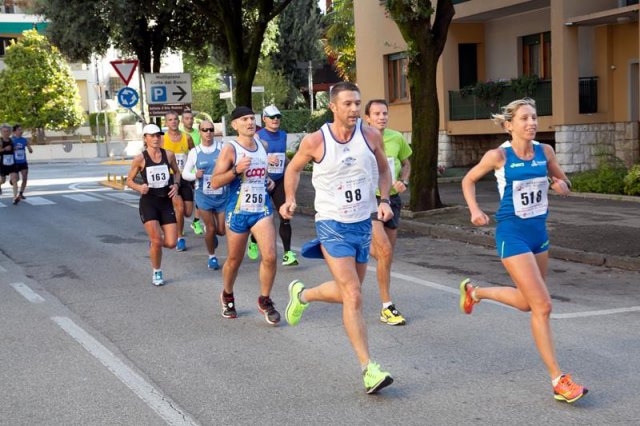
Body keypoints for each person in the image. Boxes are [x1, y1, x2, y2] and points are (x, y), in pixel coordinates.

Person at [460, 98, 588, 403]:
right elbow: (468, 179)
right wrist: (474, 210)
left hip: (538, 234)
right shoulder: (498, 156)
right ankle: (559, 380)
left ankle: (476, 293)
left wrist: (562, 185)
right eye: (525, 118)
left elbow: (562, 179)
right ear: (509, 125)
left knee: (527, 303)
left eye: (534, 117)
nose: (532, 123)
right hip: (512, 235)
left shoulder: (546, 151)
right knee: (543, 305)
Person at [280, 82, 395, 394]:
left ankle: (303, 295)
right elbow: (292, 170)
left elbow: (385, 171)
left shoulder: (370, 135)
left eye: (357, 103)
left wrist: (384, 199)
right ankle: (368, 369)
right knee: (354, 294)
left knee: (349, 293)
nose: (354, 109)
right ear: (332, 106)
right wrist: (289, 198)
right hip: (331, 224)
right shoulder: (316, 141)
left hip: (362, 223)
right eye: (347, 104)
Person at [211, 106, 280, 325]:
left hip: (261, 208)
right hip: (238, 210)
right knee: (234, 259)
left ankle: (265, 299)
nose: (250, 122)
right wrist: (235, 171)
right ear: (235, 125)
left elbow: (262, 172)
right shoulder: (230, 150)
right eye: (244, 119)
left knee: (270, 256)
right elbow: (214, 182)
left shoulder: (263, 145)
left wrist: (268, 181)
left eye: (252, 118)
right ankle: (228, 294)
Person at [363, 99, 412, 326]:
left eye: (385, 113)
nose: (382, 117)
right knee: (384, 251)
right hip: (369, 200)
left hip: (391, 199)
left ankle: (359, 247)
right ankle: (387, 305)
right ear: (368, 118)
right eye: (377, 113)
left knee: (387, 254)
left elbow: (407, 163)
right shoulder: (360, 139)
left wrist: (403, 181)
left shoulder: (396, 138)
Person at [126, 124, 181, 286]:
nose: (156, 138)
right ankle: (157, 271)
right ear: (145, 138)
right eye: (152, 135)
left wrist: (176, 185)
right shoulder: (140, 159)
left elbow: (177, 172)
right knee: (157, 240)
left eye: (158, 135)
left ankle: (154, 245)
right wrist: (139, 187)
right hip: (149, 202)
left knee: (171, 243)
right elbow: (129, 180)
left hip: (165, 202)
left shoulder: (169, 155)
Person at [245, 105, 299, 266]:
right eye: (272, 117)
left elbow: (283, 158)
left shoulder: (283, 135)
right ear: (264, 119)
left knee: (286, 215)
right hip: (262, 181)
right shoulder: (257, 136)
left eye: (278, 117)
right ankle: (254, 240)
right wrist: (266, 159)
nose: (275, 120)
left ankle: (288, 253)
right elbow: (249, 158)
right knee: (261, 216)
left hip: (280, 180)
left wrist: (294, 166)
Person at [182, 120, 227, 270]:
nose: (208, 132)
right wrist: (196, 175)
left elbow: (232, 165)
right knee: (210, 228)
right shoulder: (195, 152)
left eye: (211, 129)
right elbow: (185, 173)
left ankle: (212, 236)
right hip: (203, 196)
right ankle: (212, 257)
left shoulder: (222, 148)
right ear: (199, 132)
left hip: (221, 195)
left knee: (221, 230)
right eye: (205, 130)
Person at [162, 111, 195, 251]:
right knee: (180, 208)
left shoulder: (186, 138)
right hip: (169, 177)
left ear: (178, 121)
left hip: (185, 176)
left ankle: (172, 220)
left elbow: (194, 155)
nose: (173, 122)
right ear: (166, 123)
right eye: (170, 120)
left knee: (187, 212)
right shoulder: (162, 139)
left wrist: (195, 174)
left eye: (175, 119)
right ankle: (179, 237)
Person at [182, 110, 204, 236]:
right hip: (182, 172)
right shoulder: (180, 134)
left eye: (191, 118)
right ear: (182, 120)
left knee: (200, 197)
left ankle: (196, 221)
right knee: (185, 207)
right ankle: (179, 222)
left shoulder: (198, 133)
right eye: (186, 118)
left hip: (196, 171)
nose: (189, 121)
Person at [11, 125, 32, 200]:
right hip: (15, 162)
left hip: (23, 162)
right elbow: (7, 151)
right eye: (19, 130)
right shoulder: (11, 140)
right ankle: (13, 181)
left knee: (25, 178)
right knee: (16, 179)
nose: (21, 131)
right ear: (14, 132)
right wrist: (13, 148)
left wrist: (29, 147)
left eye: (21, 130)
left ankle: (20, 193)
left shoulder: (24, 140)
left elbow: (31, 151)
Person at [0, 124, 19, 205]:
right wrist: (4, 149)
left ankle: (15, 197)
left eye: (7, 131)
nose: (6, 133)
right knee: (3, 180)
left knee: (14, 179)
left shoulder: (12, 140)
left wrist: (15, 149)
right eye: (4, 131)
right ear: (1, 132)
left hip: (12, 163)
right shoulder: (0, 141)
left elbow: (13, 150)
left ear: (10, 132)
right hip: (3, 163)